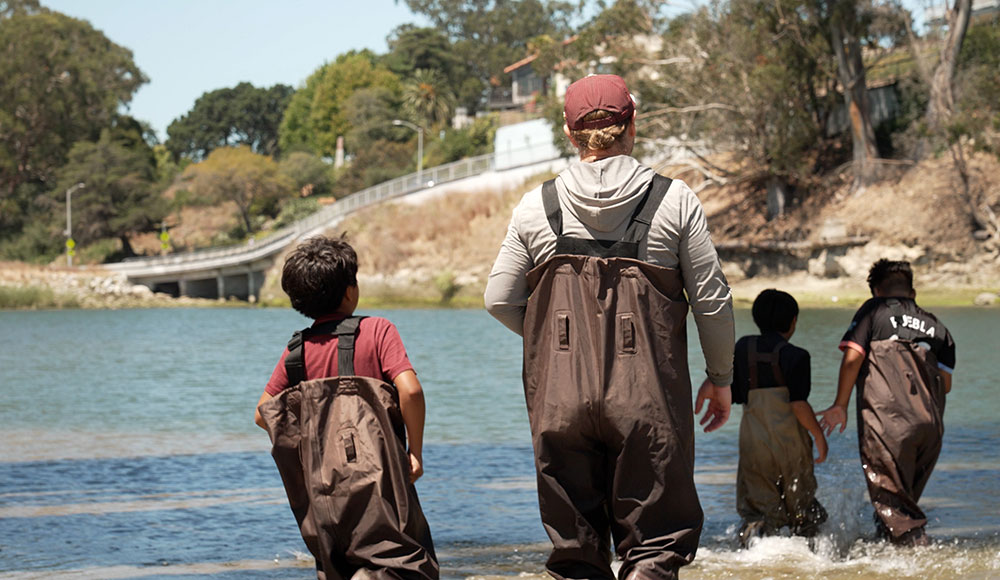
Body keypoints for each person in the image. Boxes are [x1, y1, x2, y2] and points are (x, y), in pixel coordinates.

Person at [484, 74, 735, 580]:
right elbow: (711, 301)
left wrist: (556, 350)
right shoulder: (675, 200)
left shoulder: (537, 206)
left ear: (570, 133)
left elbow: (498, 299)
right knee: (656, 547)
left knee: (577, 553)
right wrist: (721, 378)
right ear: (632, 124)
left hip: (560, 401)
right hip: (648, 399)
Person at [254, 235, 438, 580]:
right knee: (406, 562)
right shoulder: (377, 330)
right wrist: (415, 452)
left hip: (322, 485)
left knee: (335, 566)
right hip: (380, 478)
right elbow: (410, 391)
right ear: (350, 291)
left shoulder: (297, 352)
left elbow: (263, 413)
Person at [818, 259, 955, 547]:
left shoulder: (874, 311)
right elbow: (947, 384)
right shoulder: (938, 327)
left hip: (888, 423)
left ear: (875, 291)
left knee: (897, 508)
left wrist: (839, 405)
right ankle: (890, 552)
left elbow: (853, 356)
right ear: (913, 292)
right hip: (930, 428)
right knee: (900, 503)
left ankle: (917, 558)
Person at [732, 289, 827, 547]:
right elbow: (798, 404)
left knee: (758, 510)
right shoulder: (797, 356)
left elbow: (734, 394)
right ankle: (810, 556)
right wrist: (818, 435)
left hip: (754, 442)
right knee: (802, 509)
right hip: (791, 442)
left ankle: (755, 555)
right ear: (793, 321)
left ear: (756, 319)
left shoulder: (743, 348)